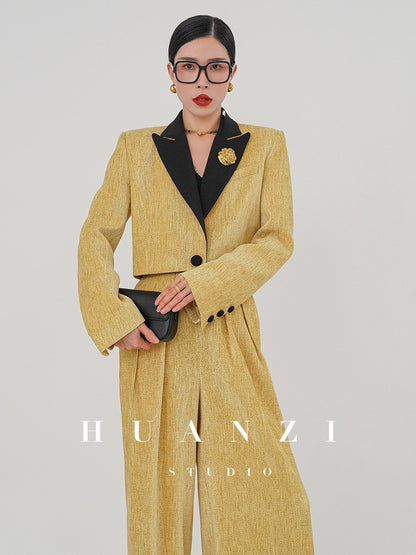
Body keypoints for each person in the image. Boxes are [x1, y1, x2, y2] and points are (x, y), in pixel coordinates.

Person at [77, 14, 315, 555]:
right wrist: (113, 320)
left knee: (259, 487)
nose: (202, 81)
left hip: (230, 326)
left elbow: (277, 238)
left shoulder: (266, 146)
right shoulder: (135, 147)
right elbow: (95, 234)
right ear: (171, 74)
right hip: (155, 334)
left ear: (233, 74)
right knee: (158, 495)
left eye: (215, 67)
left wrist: (209, 282)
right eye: (189, 67)